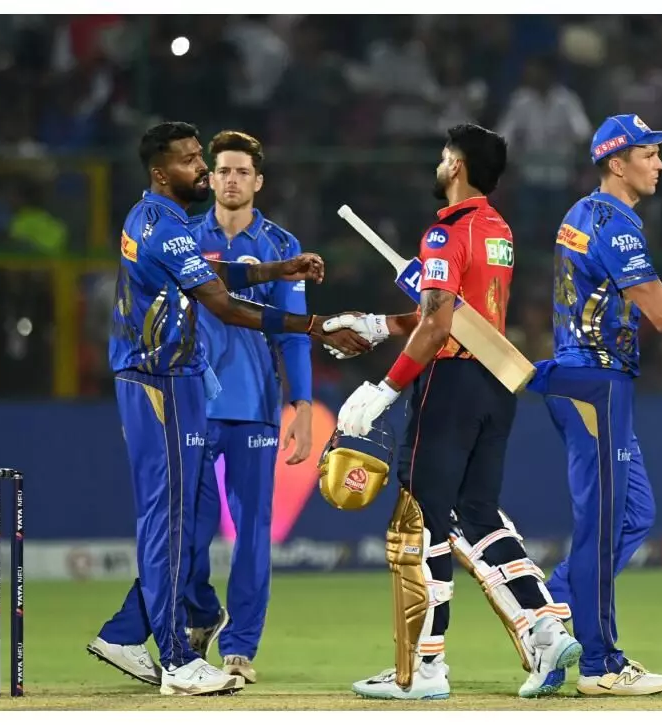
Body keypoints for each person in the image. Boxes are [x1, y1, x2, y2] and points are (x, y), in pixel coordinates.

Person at [85, 121, 371, 696]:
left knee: (193, 522)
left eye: (206, 159)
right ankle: (176, 656)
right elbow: (225, 306)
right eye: (195, 161)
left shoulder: (162, 222)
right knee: (172, 522)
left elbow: (214, 274)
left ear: (258, 180)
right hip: (163, 381)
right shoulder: (171, 226)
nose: (206, 170)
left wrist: (275, 272)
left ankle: (159, 638)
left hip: (192, 387)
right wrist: (318, 326)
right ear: (162, 172)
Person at [334, 124, 581, 700]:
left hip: (449, 383)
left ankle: (424, 668)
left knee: (422, 519)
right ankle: (545, 628)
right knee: (478, 513)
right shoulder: (498, 229)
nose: (439, 164)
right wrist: (384, 323)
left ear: (458, 166)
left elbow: (439, 321)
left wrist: (386, 389)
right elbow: (455, 311)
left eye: (444, 156)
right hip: (496, 381)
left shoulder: (445, 232)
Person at [526, 114, 662, 696]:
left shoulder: (580, 213)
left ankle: (548, 618)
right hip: (596, 383)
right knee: (601, 529)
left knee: (633, 516)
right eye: (649, 154)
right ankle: (600, 665)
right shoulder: (617, 226)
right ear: (617, 163)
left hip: (586, 379)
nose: (660, 164)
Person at [180, 130, 387, 684]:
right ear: (210, 178)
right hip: (191, 403)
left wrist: (300, 405)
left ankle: (240, 648)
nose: (232, 179)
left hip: (253, 406)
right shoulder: (184, 238)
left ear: (258, 181)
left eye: (242, 172)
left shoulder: (279, 245)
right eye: (223, 170)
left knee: (252, 531)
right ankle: (202, 612)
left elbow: (294, 336)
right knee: (188, 532)